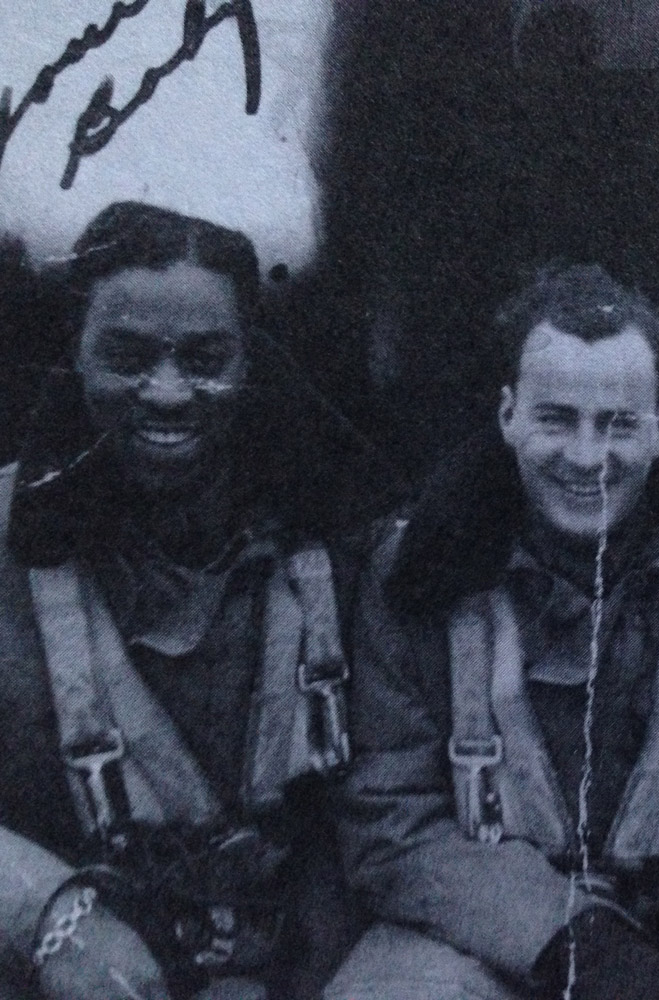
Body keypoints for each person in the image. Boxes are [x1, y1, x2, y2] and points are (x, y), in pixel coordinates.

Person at [326, 264, 659, 1000]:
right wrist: (569, 936)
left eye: (619, 424)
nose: (588, 457)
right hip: (482, 940)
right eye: (556, 419)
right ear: (508, 418)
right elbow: (391, 827)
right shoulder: (418, 580)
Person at [0, 202, 378, 1000]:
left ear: (253, 362)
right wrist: (46, 914)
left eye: (206, 358)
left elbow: (393, 801)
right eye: (128, 358)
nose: (168, 394)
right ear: (72, 357)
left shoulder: (341, 543)